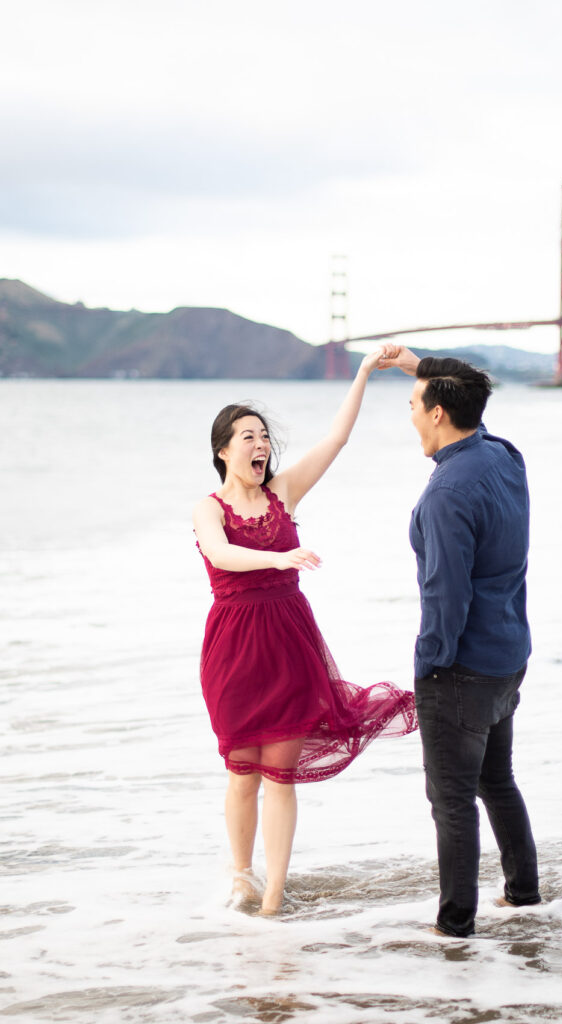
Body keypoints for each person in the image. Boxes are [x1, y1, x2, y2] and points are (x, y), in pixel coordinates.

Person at [193, 350, 417, 916]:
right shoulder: (209, 509)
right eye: (248, 435)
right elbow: (220, 554)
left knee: (280, 776)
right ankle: (241, 876)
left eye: (264, 435)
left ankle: (273, 897)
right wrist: (280, 557)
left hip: (290, 645)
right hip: (234, 651)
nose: (260, 444)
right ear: (223, 449)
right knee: (242, 773)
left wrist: (364, 373)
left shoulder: (284, 493)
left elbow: (336, 439)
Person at [378, 345, 540, 937]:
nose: (412, 416)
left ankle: (455, 928)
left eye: (416, 404)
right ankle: (524, 893)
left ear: (440, 413)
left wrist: (430, 664)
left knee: (451, 800)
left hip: (463, 668)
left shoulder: (448, 493)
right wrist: (424, 367)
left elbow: (446, 596)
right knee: (497, 780)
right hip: (508, 656)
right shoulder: (503, 456)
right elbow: (477, 416)